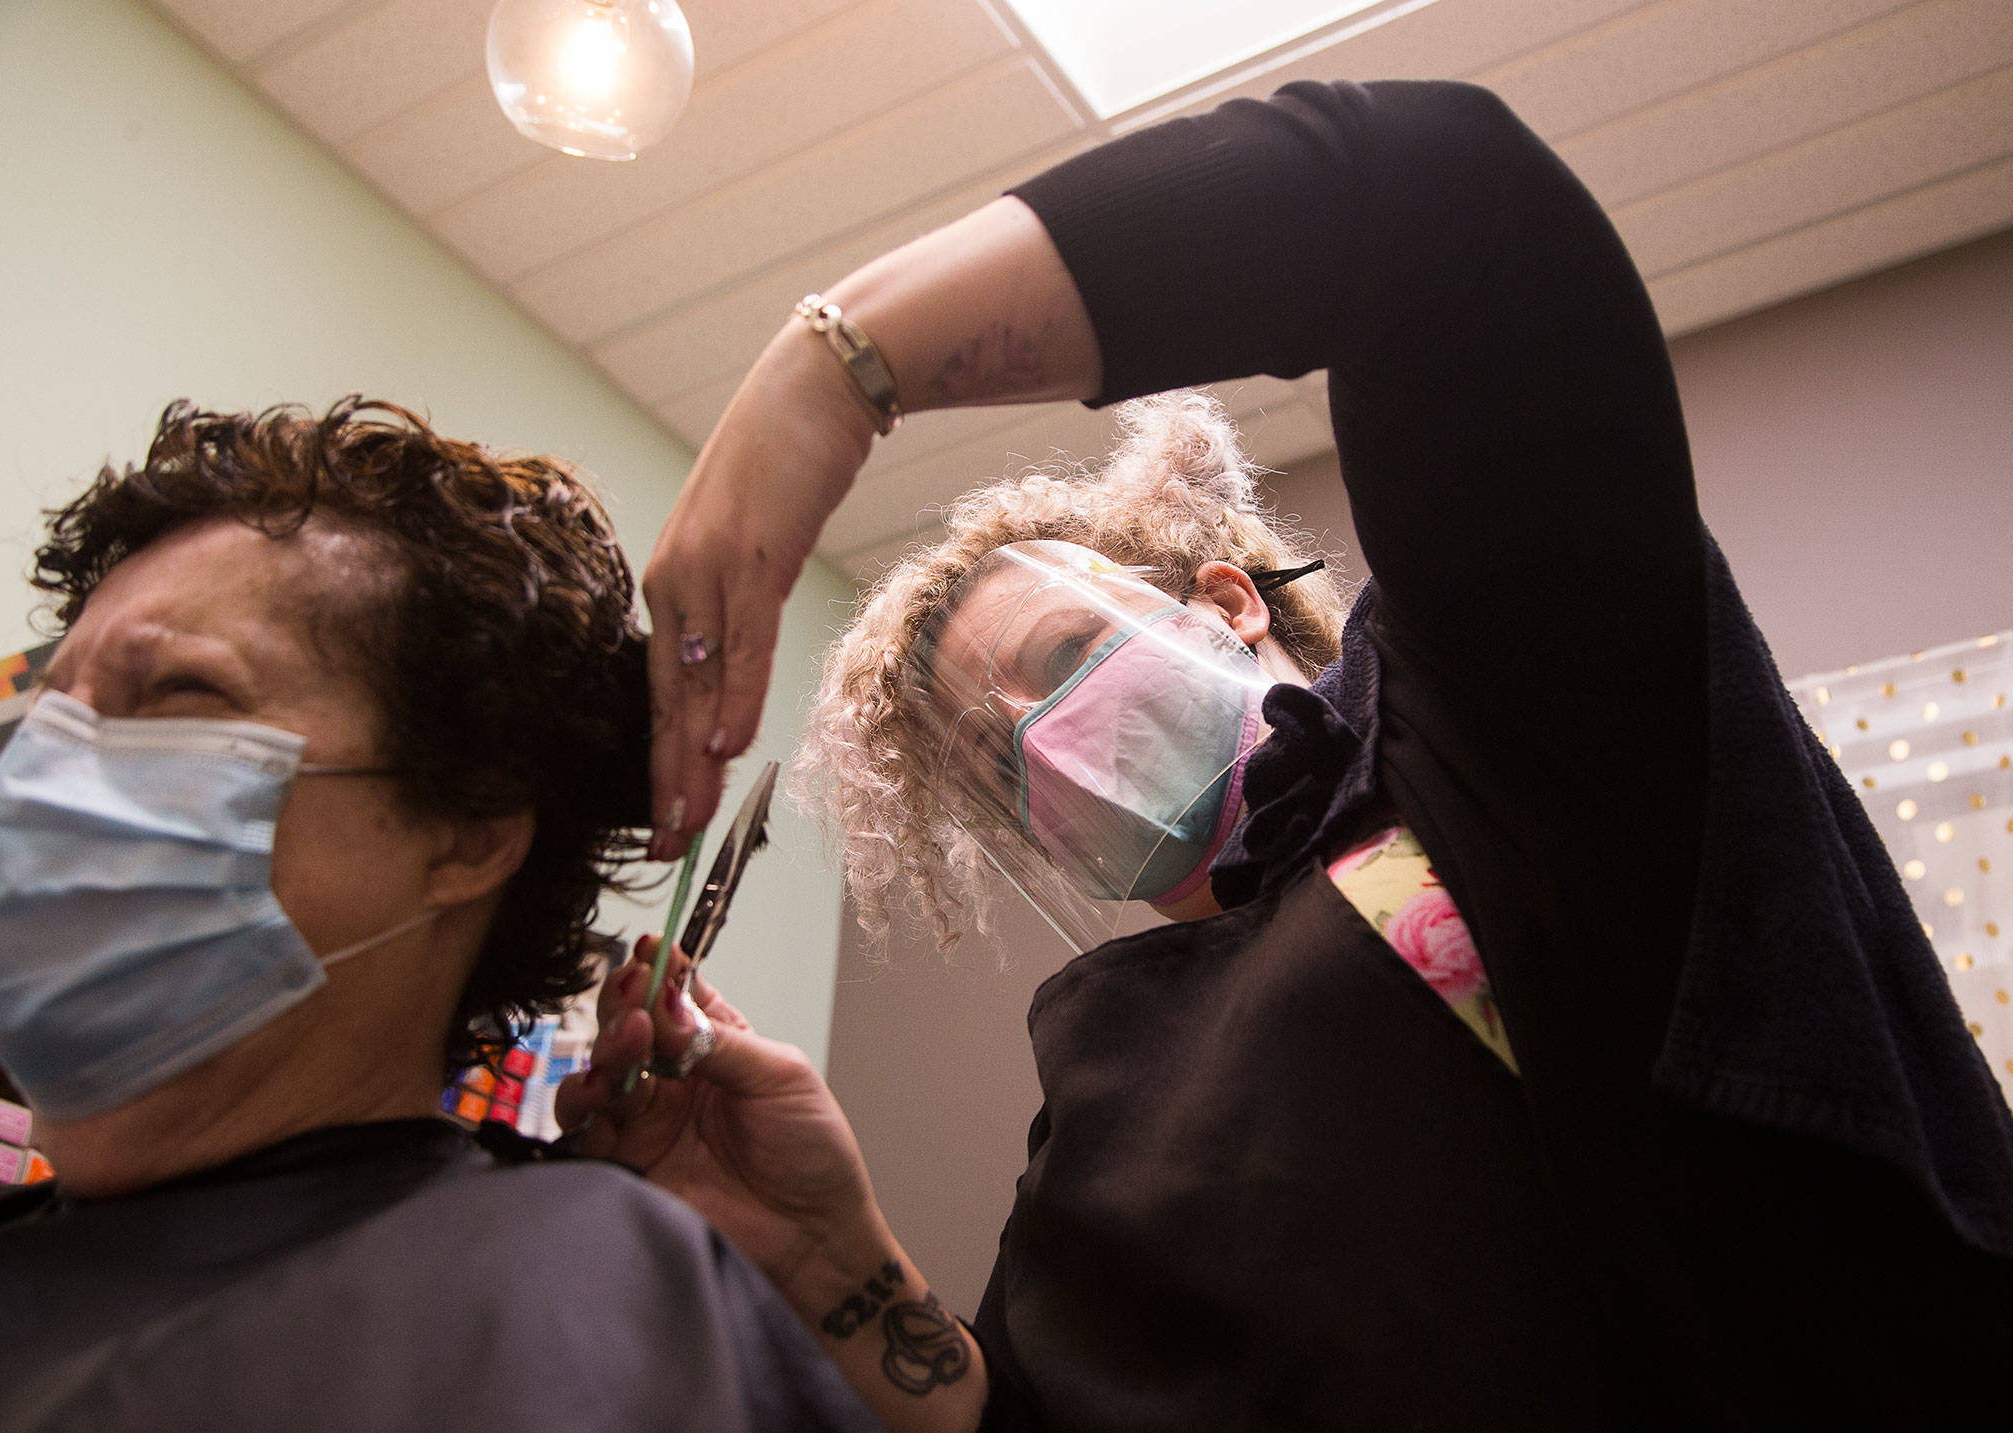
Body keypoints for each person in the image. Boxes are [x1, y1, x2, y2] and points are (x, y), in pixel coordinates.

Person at [587, 78, 2013, 1429]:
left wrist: (838, 371)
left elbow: (1444, 203)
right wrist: (833, 1255)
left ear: (1222, 598)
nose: (1047, 748)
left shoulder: (1503, 711)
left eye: (1064, 666)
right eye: (1002, 761)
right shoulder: (1095, 1114)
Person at [0, 399, 881, 1433]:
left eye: (177, 691)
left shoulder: (572, 1293)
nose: (40, 779)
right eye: (50, 723)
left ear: (468, 830)